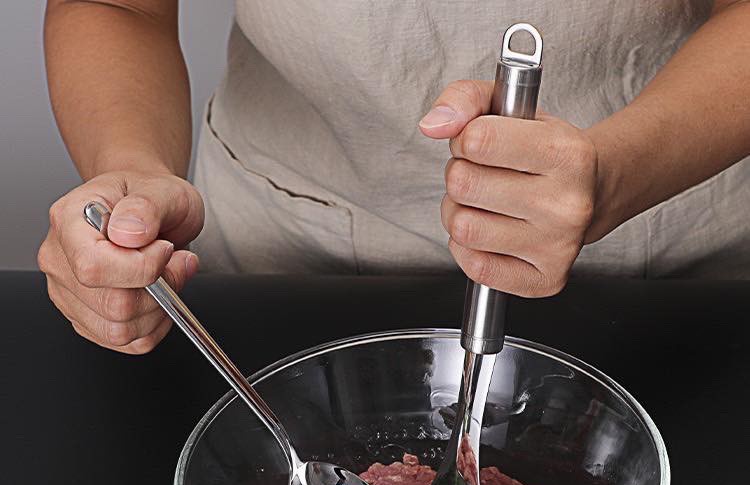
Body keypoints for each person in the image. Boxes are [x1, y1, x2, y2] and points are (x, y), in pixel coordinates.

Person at [39, 1, 750, 354]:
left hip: (664, 267)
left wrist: (618, 170)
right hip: (280, 261)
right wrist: (129, 168)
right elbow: (117, 6)